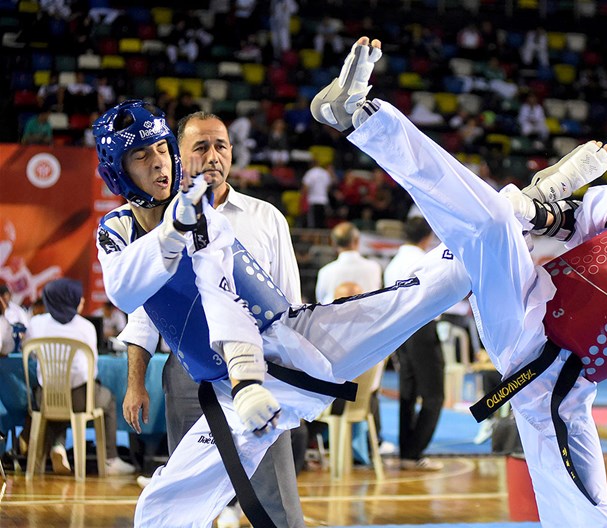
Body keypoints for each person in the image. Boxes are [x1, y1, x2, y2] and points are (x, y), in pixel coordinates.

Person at [311, 37, 607, 528]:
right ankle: (361, 117)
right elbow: (578, 219)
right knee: (495, 224)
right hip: (524, 302)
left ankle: (536, 191)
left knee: (593, 519)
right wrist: (540, 208)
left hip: (554, 389)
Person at [92, 100, 468, 527]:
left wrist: (247, 376)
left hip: (289, 342)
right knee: (160, 512)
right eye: (142, 156)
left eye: (161, 150)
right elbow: (124, 292)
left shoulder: (209, 217)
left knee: (420, 296)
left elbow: (222, 298)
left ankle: (516, 217)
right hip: (223, 394)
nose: (158, 163)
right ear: (119, 171)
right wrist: (170, 232)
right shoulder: (118, 230)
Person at [120, 110, 304, 528]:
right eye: (200, 146)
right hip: (188, 372)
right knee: (189, 492)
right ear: (178, 158)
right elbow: (145, 313)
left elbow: (290, 302)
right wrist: (135, 381)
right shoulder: (158, 222)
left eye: (221, 145)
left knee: (275, 491)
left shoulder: (266, 217)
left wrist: (296, 376)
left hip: (261, 369)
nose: (213, 156)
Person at [25, 279, 135, 476]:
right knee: (108, 399)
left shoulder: (35, 323)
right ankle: (110, 459)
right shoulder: (85, 327)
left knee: (56, 397)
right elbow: (92, 369)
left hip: (45, 399)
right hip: (80, 399)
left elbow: (31, 355)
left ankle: (57, 446)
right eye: (78, 296)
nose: (82, 299)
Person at [384, 216, 445, 470]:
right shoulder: (423, 260)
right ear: (427, 236)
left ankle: (407, 451)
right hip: (420, 327)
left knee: (408, 393)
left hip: (399, 329)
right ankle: (414, 451)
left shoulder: (393, 263)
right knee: (434, 395)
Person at [315, 222, 382, 304]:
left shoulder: (325, 272)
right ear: (357, 241)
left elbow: (321, 302)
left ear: (334, 244)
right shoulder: (374, 268)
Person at [301, 158, 333, 228]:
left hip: (313, 201)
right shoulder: (325, 173)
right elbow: (328, 188)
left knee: (313, 225)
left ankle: (314, 238)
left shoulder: (310, 173)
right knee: (321, 223)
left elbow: (305, 187)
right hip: (324, 201)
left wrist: (302, 198)